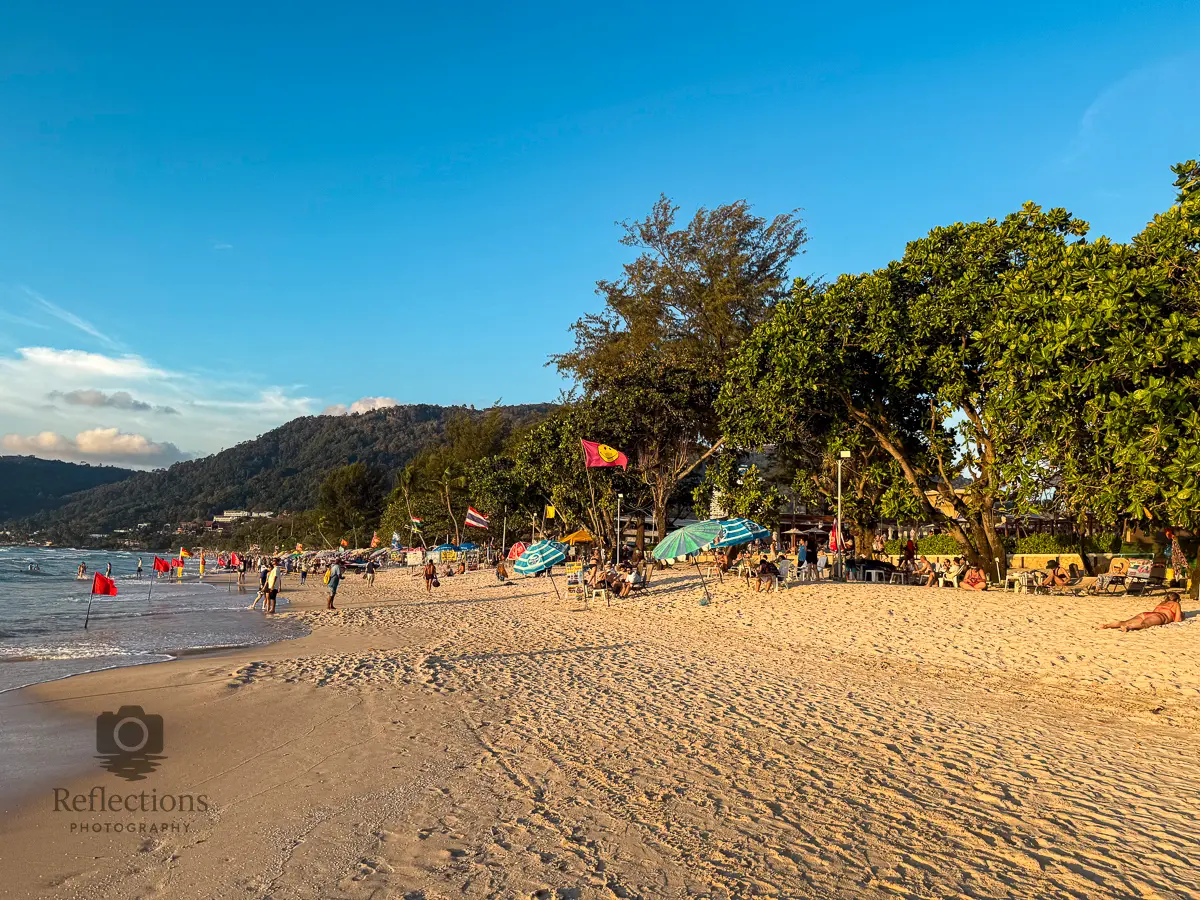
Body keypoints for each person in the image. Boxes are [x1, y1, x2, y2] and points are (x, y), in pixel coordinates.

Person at [1101, 592, 1184, 632]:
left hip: (1147, 614)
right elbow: (1177, 620)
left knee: (1125, 621)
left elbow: (1153, 612)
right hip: (1160, 616)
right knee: (1144, 624)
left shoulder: (1162, 603)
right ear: (1176, 599)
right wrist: (1182, 615)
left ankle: (1107, 625)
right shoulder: (1176, 604)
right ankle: (1129, 628)